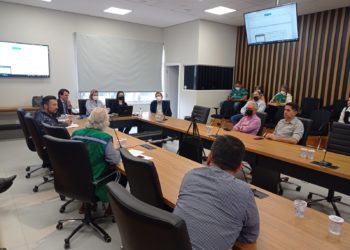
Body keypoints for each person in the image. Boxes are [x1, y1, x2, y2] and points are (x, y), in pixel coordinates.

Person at [173, 135, 260, 250]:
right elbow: (250, 236)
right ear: (239, 167)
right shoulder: (244, 192)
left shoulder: (191, 175)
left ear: (209, 157)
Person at [71, 108, 124, 213]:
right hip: (96, 178)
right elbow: (114, 160)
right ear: (106, 122)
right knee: (121, 173)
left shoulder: (76, 134)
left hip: (76, 177)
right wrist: (118, 151)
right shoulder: (104, 138)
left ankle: (85, 204)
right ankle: (111, 209)